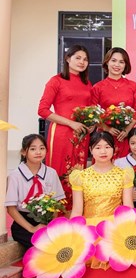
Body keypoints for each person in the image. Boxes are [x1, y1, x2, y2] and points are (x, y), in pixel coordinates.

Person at [37, 44, 93, 202]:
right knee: (60, 170)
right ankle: (56, 209)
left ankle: (74, 208)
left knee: (78, 172)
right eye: (78, 58)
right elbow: (42, 110)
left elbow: (91, 109)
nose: (82, 62)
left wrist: (92, 125)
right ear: (68, 59)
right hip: (62, 133)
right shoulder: (56, 81)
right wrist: (70, 123)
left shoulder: (87, 83)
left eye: (85, 59)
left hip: (81, 134)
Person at [5, 134, 65, 249]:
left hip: (47, 220)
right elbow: (11, 208)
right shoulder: (15, 176)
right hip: (24, 224)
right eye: (33, 149)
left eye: (42, 148)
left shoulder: (51, 173)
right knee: (44, 247)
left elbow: (56, 203)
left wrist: (51, 226)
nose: (38, 152)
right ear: (24, 152)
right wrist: (31, 228)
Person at [70, 131, 134, 225]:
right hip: (90, 227)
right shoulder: (81, 177)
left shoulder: (124, 174)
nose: (103, 151)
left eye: (107, 147)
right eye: (98, 147)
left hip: (116, 226)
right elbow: (77, 211)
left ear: (113, 149)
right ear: (91, 149)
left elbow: (128, 207)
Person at [91, 47, 136, 158]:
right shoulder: (97, 87)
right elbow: (94, 113)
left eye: (121, 62)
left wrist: (127, 130)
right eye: (113, 60)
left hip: (126, 136)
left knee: (125, 166)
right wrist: (107, 128)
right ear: (107, 62)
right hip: (104, 137)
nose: (117, 65)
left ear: (125, 65)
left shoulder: (133, 86)